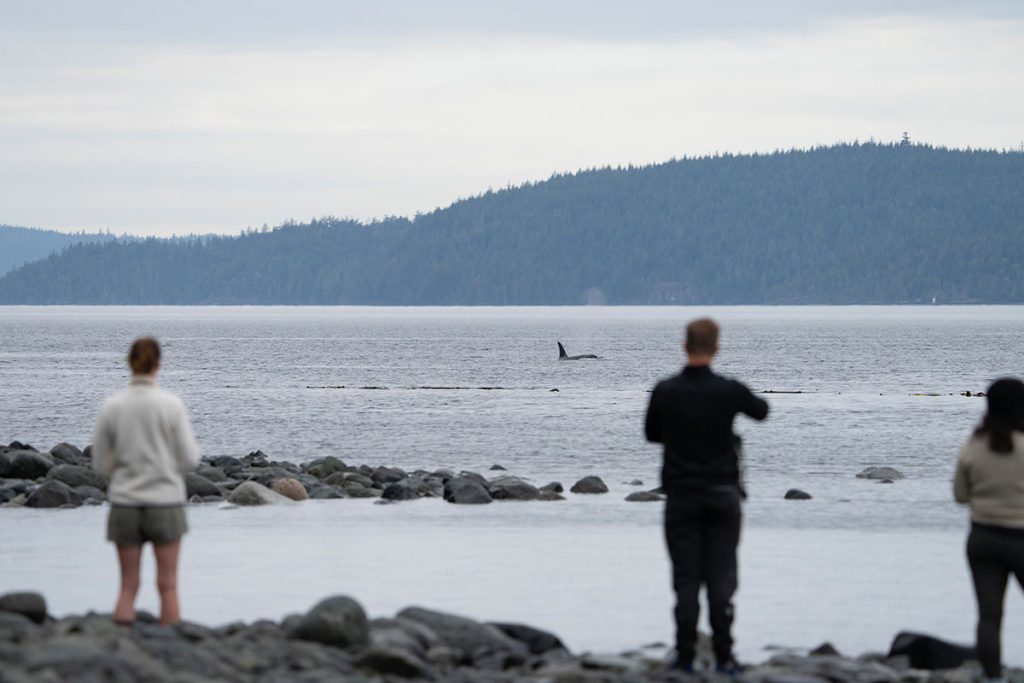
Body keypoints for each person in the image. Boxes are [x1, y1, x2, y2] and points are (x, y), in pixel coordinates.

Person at [644, 318, 769, 673]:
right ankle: (724, 656)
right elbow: (761, 411)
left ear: (685, 346)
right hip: (722, 495)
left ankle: (684, 656)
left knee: (686, 578)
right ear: (716, 348)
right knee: (721, 579)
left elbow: (651, 434)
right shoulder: (729, 390)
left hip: (681, 496)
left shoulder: (665, 390)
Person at [92, 337, 199, 625]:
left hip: (125, 503)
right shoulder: (171, 405)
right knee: (168, 585)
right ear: (158, 364)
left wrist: (122, 474)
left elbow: (100, 463)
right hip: (165, 502)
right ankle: (170, 643)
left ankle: (122, 643)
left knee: (128, 586)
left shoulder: (112, 406)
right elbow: (189, 458)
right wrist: (166, 469)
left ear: (129, 363)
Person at [954, 377, 1024, 682]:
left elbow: (960, 495)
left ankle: (993, 678)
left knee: (989, 617)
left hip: (982, 537)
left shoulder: (973, 446)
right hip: (1020, 538)